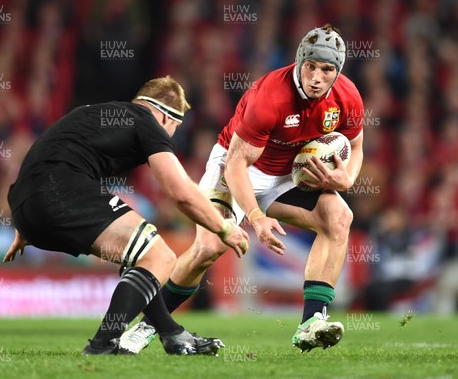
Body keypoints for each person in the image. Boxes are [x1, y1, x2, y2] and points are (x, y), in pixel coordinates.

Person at [121, 24, 364, 353]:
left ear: (338, 71)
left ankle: (312, 323)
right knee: (208, 249)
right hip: (236, 168)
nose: (317, 77)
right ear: (298, 62)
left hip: (285, 176)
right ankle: (146, 326)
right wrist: (255, 217)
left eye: (327, 69)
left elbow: (356, 145)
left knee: (338, 217)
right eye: (311, 67)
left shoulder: (347, 97)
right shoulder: (271, 96)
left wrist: (346, 179)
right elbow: (236, 165)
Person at [2, 76, 250, 355]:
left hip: (24, 205)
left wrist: (25, 225)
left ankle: (171, 333)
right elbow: (179, 190)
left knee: (140, 257)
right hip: (61, 190)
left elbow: (44, 151)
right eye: (175, 128)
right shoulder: (147, 120)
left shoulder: (88, 112)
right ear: (167, 117)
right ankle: (102, 345)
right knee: (160, 256)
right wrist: (223, 227)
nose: (171, 135)